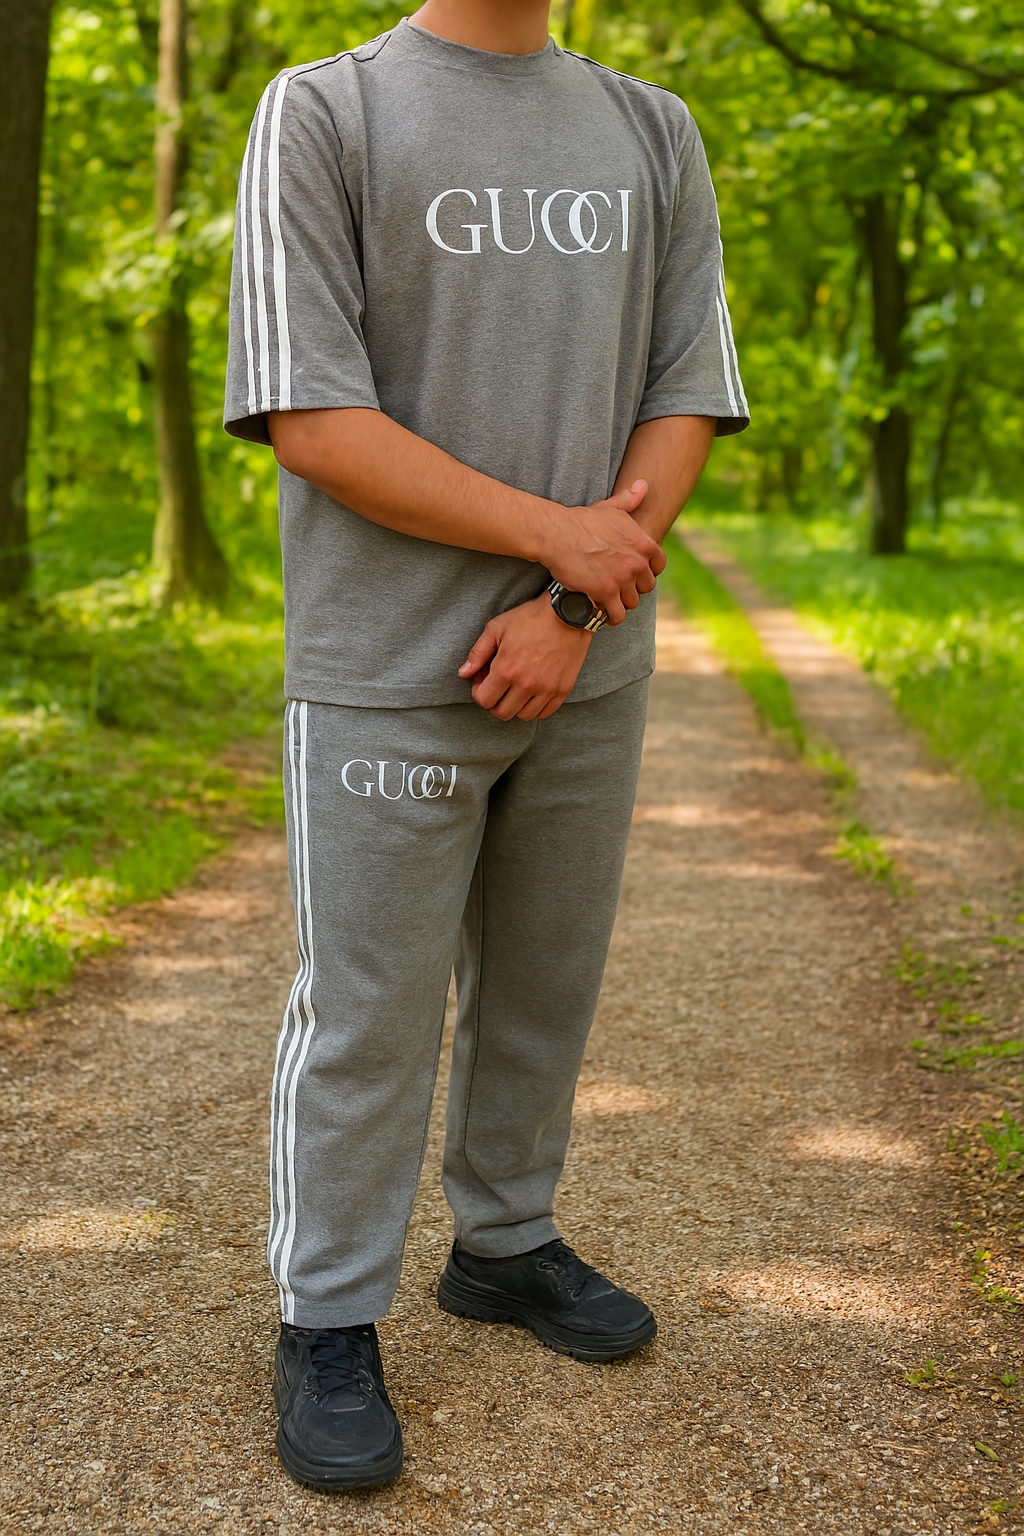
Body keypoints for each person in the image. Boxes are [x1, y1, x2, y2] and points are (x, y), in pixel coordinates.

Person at [224, 0, 747, 1492]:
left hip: (588, 665)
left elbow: (686, 390)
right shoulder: (324, 112)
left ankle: (505, 1244)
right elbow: (313, 416)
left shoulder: (652, 128)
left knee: (544, 982)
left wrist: (575, 602)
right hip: (387, 670)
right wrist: (560, 545)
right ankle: (328, 1314)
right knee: (368, 1013)